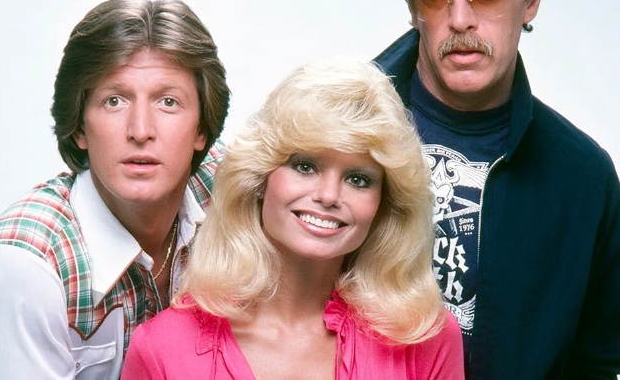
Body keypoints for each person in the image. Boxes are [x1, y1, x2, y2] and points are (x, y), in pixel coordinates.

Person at [374, 0, 620, 379]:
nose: (460, 18)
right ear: (412, 7)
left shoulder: (584, 179)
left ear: (530, 0)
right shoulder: (335, 130)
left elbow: (596, 364)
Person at [120, 57, 464, 380]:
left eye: (359, 179)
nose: (328, 195)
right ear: (259, 179)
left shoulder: (425, 336)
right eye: (305, 166)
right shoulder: (162, 348)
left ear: (383, 205)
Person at [0, 0, 231, 380]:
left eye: (168, 102)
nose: (140, 130)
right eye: (114, 101)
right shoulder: (25, 267)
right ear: (79, 127)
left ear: (202, 129)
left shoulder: (231, 191)